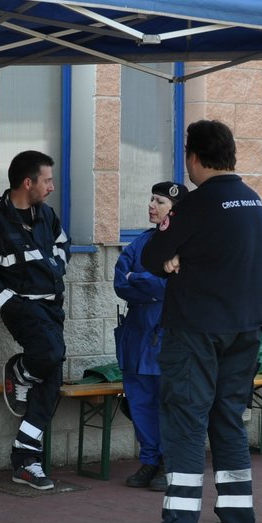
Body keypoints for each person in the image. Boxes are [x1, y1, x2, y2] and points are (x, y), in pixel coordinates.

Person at [127, 121, 262, 523]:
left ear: (193, 157)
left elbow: (151, 254)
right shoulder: (253, 200)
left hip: (196, 331)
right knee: (228, 421)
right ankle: (238, 521)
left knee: (185, 424)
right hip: (245, 329)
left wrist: (172, 256)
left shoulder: (198, 203)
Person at [0, 150, 68, 491]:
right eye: (48, 180)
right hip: (24, 310)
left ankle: (25, 459)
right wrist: (15, 305)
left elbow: (61, 247)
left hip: (53, 308)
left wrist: (55, 267)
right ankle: (20, 371)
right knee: (52, 355)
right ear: (28, 183)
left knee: (51, 382)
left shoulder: (47, 216)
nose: (52, 187)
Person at [114, 180, 188, 492]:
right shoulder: (139, 242)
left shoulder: (184, 245)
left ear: (175, 209)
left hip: (167, 335)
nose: (152, 206)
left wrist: (139, 280)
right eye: (151, 200)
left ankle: (169, 462)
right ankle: (150, 461)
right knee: (140, 402)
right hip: (136, 335)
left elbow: (171, 287)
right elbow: (119, 281)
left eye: (159, 202)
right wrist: (152, 279)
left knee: (167, 404)